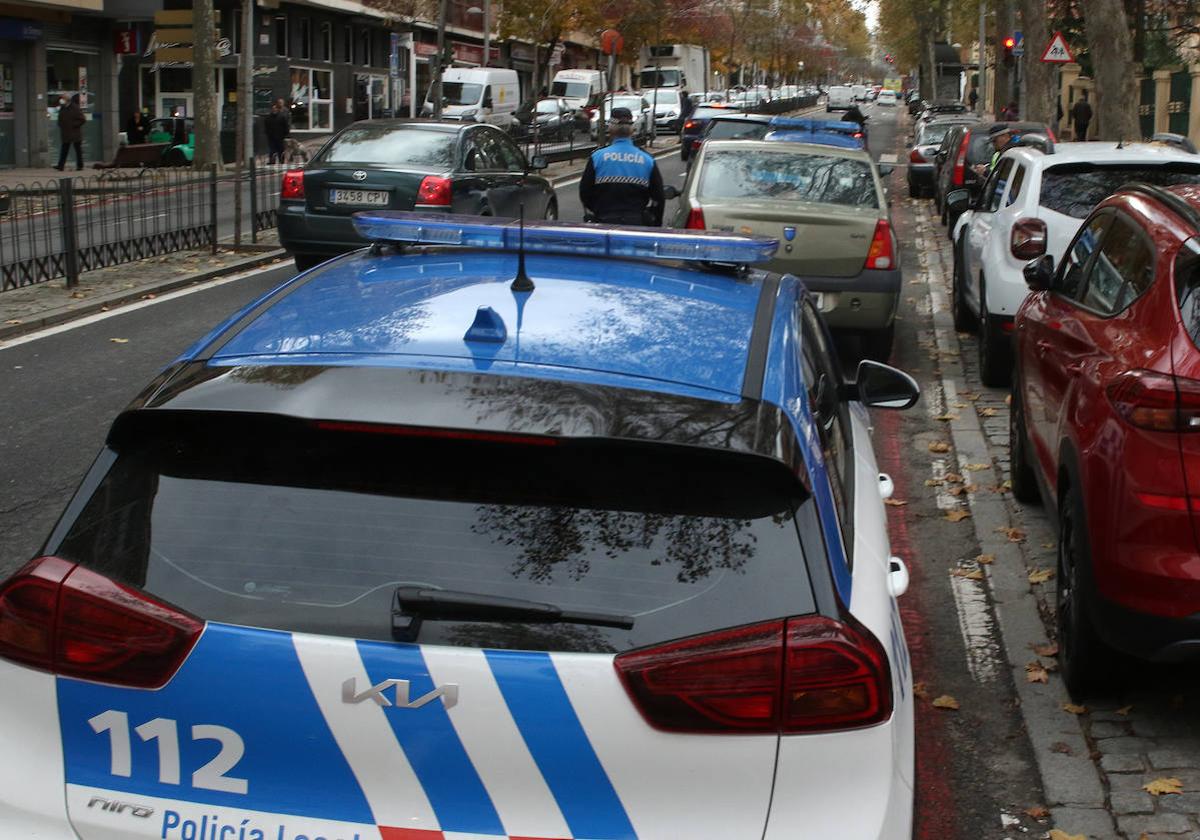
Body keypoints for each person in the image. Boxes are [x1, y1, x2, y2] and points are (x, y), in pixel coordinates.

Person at [579, 107, 665, 226]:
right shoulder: (647, 159)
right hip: (636, 223)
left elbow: (585, 192)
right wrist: (655, 222)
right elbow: (658, 197)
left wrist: (598, 211)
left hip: (604, 221)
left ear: (610, 128)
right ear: (632, 130)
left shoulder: (597, 157)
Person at [54, 93, 86, 172]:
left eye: (63, 98)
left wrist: (74, 125)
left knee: (78, 150)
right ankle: (60, 166)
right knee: (64, 150)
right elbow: (60, 118)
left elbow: (82, 119)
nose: (61, 100)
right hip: (66, 133)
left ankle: (80, 166)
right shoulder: (63, 108)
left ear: (67, 99)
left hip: (75, 133)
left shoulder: (75, 108)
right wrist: (60, 124)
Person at [265, 98, 290, 164]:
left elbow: (286, 125)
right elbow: (266, 126)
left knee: (280, 149)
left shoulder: (282, 116)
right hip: (272, 136)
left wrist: (285, 133)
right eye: (273, 109)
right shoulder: (268, 117)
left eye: (275, 109)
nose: (274, 110)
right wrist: (268, 134)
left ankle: (281, 161)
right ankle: (272, 161)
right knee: (272, 150)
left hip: (280, 136)